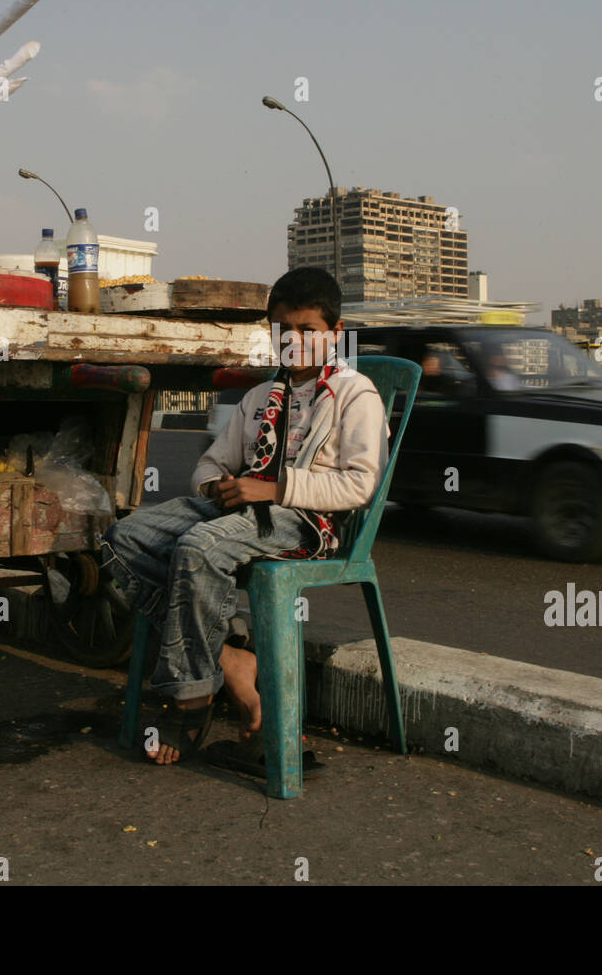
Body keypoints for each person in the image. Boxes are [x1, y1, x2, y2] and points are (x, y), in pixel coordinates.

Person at [99, 267, 389, 765]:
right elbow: (212, 462)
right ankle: (229, 654)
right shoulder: (259, 398)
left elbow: (360, 485)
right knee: (121, 537)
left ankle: (191, 699)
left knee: (197, 548)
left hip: (305, 520)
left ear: (336, 334)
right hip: (239, 508)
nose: (294, 342)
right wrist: (219, 486)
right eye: (283, 330)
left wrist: (273, 487)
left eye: (309, 331)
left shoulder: (354, 393)